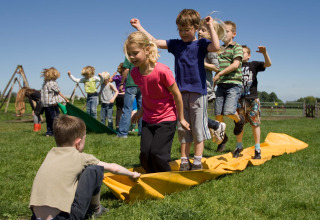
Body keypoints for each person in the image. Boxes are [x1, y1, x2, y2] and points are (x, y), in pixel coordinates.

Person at [130, 9, 221, 171]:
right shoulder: (176, 45)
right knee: (183, 128)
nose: (183, 33)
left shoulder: (200, 44)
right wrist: (140, 27)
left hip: (198, 93)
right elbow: (154, 42)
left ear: (195, 27)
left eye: (187, 30)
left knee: (198, 127)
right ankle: (184, 160)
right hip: (180, 93)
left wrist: (210, 26)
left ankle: (198, 160)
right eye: (180, 30)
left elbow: (215, 46)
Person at [29, 115, 141, 220]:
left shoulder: (50, 154)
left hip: (35, 217)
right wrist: (132, 174)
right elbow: (113, 168)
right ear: (78, 143)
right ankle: (96, 209)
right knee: (94, 170)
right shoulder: (81, 158)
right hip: (63, 217)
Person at [124, 31, 190, 173]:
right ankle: (152, 178)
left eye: (135, 53)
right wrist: (141, 112)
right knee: (145, 154)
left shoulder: (162, 71)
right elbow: (148, 95)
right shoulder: (134, 73)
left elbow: (177, 94)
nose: (131, 57)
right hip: (148, 119)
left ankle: (166, 179)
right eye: (129, 54)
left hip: (166, 118)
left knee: (158, 153)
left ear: (147, 50)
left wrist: (182, 118)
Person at [233, 45, 272, 159]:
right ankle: (239, 146)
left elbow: (268, 64)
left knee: (255, 124)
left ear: (249, 55)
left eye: (244, 52)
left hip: (252, 99)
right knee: (239, 124)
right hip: (239, 100)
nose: (241, 54)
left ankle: (257, 149)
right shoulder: (235, 66)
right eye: (239, 53)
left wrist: (265, 53)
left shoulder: (253, 65)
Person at [213, 20, 245, 152]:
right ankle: (223, 138)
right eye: (222, 31)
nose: (224, 34)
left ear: (234, 34)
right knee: (218, 114)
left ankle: (240, 119)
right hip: (220, 85)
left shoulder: (237, 47)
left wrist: (220, 73)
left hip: (233, 84)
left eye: (227, 31)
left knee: (229, 111)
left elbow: (235, 65)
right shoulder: (218, 49)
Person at [198, 17, 227, 145]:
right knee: (196, 116)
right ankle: (215, 128)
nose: (199, 32)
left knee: (198, 117)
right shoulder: (199, 46)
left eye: (203, 30)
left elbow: (216, 67)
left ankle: (216, 126)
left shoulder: (210, 49)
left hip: (205, 86)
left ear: (210, 33)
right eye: (198, 29)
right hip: (195, 85)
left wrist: (201, 63)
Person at [116, 57, 142, 138]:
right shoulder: (144, 53)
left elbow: (126, 70)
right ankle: (142, 133)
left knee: (127, 109)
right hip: (142, 84)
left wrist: (122, 83)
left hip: (131, 84)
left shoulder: (129, 55)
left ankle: (122, 134)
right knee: (142, 109)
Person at [41, 67, 69, 137]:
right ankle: (57, 132)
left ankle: (49, 132)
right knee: (56, 118)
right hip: (52, 103)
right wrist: (65, 99)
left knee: (48, 118)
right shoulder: (52, 83)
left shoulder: (45, 83)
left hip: (45, 104)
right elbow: (58, 92)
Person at [110, 62, 126, 131]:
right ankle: (124, 126)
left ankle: (117, 125)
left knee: (118, 110)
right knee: (125, 111)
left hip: (118, 95)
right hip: (125, 94)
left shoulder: (116, 77)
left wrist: (113, 75)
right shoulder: (126, 77)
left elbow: (110, 81)